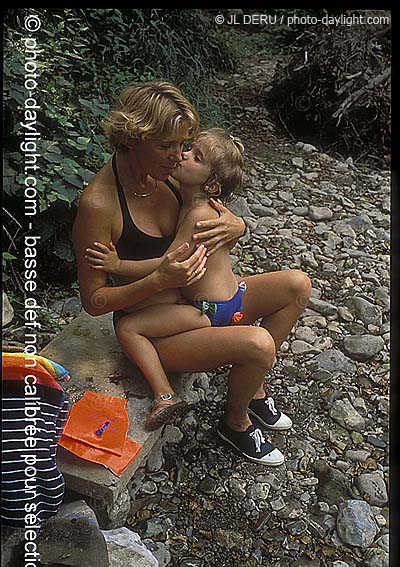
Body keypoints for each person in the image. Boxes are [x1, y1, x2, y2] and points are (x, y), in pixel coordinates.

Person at [73, 80, 312, 466]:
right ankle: (235, 423)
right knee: (259, 345)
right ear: (135, 138)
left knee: (298, 284)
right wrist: (159, 280)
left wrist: (238, 225)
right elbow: (93, 303)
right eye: (168, 146)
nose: (178, 155)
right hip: (161, 326)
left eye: (184, 145)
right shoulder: (100, 204)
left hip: (198, 306)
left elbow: (212, 202)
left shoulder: (167, 172)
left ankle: (253, 390)